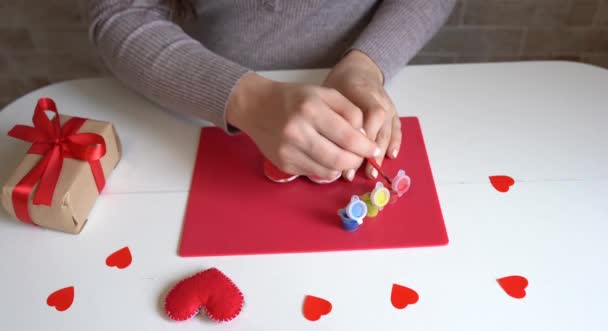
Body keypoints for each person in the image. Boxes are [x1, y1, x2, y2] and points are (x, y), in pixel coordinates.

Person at [88, 0, 455, 182]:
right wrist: (247, 100)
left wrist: (367, 65)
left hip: (367, 75)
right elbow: (120, 12)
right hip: (195, 106)